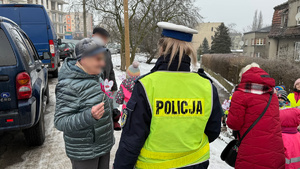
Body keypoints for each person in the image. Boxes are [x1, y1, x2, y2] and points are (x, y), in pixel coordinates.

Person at [113, 22, 222, 169]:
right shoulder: (207, 86)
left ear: (162, 48)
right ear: (188, 51)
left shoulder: (146, 85)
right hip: (195, 163)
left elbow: (132, 139)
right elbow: (213, 130)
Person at [54, 38, 114, 169]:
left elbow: (99, 98)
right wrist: (88, 116)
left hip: (103, 145)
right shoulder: (68, 86)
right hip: (84, 153)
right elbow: (60, 121)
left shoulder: (96, 76)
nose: (103, 63)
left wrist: (112, 109)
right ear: (83, 59)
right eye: (98, 59)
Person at [227, 63, 285, 169]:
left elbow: (233, 123)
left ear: (244, 76)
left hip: (250, 150)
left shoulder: (240, 94)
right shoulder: (273, 94)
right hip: (275, 150)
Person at [93, 27, 118, 93]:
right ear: (93, 36)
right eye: (101, 37)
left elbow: (110, 70)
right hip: (93, 90)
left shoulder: (107, 52)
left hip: (106, 88)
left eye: (105, 38)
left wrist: (113, 87)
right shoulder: (88, 51)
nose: (104, 40)